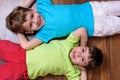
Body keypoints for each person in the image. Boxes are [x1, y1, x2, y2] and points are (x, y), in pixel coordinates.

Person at [6, 0, 120, 50]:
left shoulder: (43, 7)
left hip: (92, 8)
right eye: (31, 25)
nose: (35, 21)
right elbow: (26, 46)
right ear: (30, 32)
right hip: (95, 26)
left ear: (32, 10)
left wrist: (24, 6)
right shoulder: (44, 34)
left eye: (32, 16)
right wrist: (20, 30)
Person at [0, 27, 103, 80]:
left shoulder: (72, 70)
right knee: (2, 46)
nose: (79, 54)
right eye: (84, 50)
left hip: (26, 70)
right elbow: (82, 30)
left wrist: (83, 71)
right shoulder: (70, 43)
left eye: (83, 59)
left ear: (81, 65)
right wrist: (83, 45)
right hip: (24, 53)